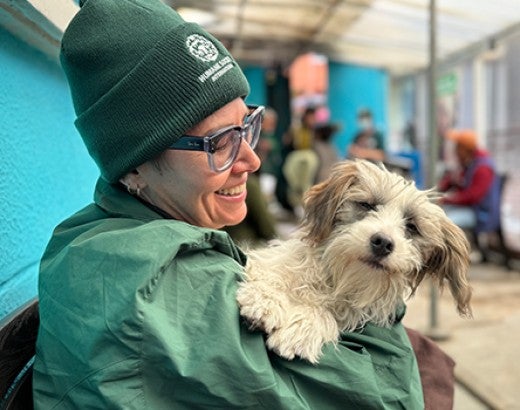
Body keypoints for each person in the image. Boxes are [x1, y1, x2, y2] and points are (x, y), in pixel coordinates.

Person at [33, 0, 443, 408]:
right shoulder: (170, 284)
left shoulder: (95, 232)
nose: (251, 159)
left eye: (247, 126)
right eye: (219, 142)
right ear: (135, 166)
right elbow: (389, 397)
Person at [438, 129, 501, 236]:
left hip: (481, 215)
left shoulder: (483, 168)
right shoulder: (470, 163)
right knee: (440, 213)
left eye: (458, 148)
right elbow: (456, 183)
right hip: (472, 209)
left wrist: (448, 199)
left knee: (445, 223)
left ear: (464, 149)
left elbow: (472, 196)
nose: (456, 152)